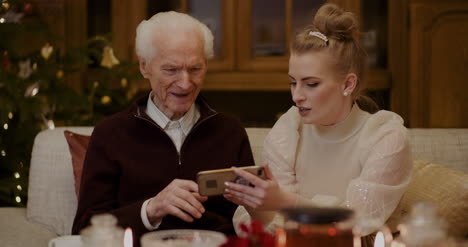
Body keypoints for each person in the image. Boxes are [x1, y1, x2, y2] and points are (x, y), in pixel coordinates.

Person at [224, 3, 412, 237]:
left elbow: (356, 223)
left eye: (311, 84)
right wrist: (258, 207)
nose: (296, 96)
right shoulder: (288, 129)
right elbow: (282, 229)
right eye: (293, 82)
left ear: (348, 84)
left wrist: (284, 201)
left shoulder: (385, 136)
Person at [72, 11, 255, 244]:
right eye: (171, 70)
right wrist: (151, 209)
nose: (185, 83)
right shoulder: (110, 134)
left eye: (195, 69)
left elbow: (249, 220)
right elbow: (83, 229)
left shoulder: (230, 131)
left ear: (206, 65)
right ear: (144, 66)